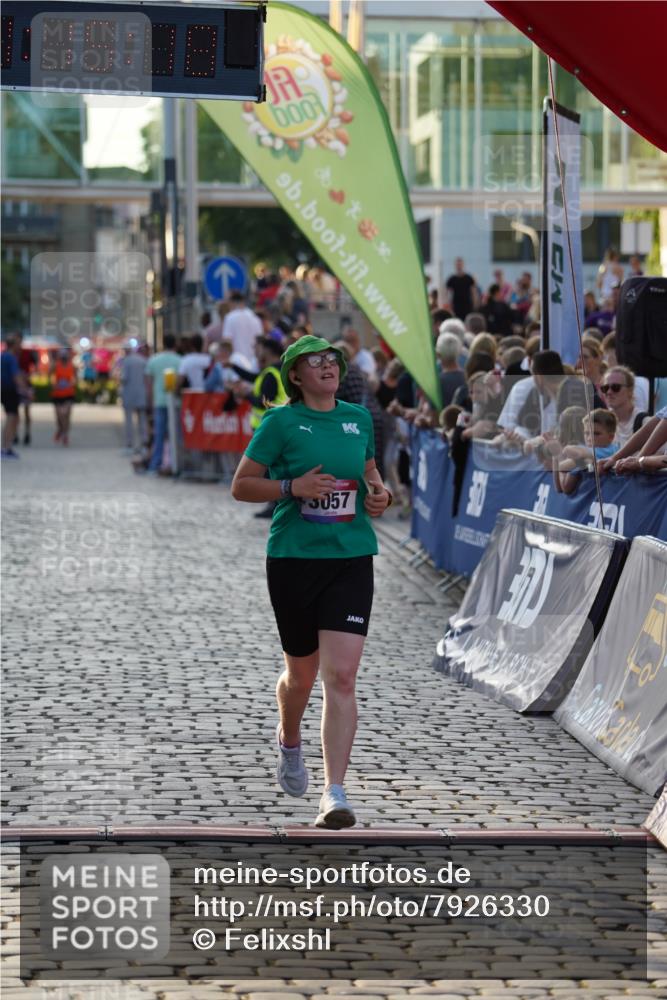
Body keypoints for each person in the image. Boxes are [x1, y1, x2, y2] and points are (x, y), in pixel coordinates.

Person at [231, 335, 392, 829]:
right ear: (295, 376)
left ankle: (334, 791)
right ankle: (289, 737)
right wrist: (292, 487)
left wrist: (380, 494)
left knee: (341, 676)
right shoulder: (280, 423)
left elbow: (370, 473)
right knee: (300, 677)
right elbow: (241, 485)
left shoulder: (358, 418)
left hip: (351, 557)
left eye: (332, 360)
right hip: (294, 560)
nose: (327, 366)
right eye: (314, 361)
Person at [144, 333, 182, 474]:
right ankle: (176, 462)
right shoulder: (180, 360)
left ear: (163, 343)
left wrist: (150, 402)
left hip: (159, 401)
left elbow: (149, 384)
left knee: (159, 435)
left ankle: (156, 464)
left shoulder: (153, 360)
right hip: (175, 403)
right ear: (175, 344)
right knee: (175, 434)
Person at [599, 366, 649, 447]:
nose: (609, 392)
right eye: (605, 388)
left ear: (630, 390)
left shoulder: (644, 422)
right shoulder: (601, 421)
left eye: (615, 387)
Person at [222, 291, 263, 368]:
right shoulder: (255, 318)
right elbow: (261, 341)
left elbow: (227, 342)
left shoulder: (230, 317)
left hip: (237, 362)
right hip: (254, 362)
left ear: (232, 303)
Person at [120, 344, 148, 454]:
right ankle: (144, 444)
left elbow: (124, 378)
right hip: (142, 394)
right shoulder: (143, 360)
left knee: (129, 421)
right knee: (142, 420)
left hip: (129, 394)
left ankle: (129, 444)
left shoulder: (126, 361)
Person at [1, 336, 24, 459]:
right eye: (18, 344)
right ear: (13, 345)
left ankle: (6, 447)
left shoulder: (3, 356)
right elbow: (16, 376)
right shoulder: (11, 358)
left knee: (11, 418)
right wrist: (26, 390)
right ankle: (6, 447)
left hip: (4, 390)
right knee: (11, 418)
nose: (20, 346)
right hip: (10, 391)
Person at [51, 347, 77, 446]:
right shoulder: (55, 366)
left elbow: (75, 379)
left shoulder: (72, 367)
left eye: (65, 357)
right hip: (57, 395)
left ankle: (65, 435)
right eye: (62, 357)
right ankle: (60, 430)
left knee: (66, 415)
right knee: (59, 416)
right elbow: (50, 376)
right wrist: (54, 384)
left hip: (69, 394)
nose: (64, 358)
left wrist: (71, 383)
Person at [435, 332, 466, 406]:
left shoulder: (437, 382)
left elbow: (432, 412)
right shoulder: (467, 378)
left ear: (438, 354)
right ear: (459, 352)